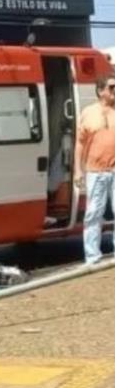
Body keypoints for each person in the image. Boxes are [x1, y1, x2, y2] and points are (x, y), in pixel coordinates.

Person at [75, 74, 115, 265]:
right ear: (101, 91)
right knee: (93, 214)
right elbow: (80, 144)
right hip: (95, 172)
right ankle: (92, 257)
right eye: (112, 88)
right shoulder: (88, 112)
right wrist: (78, 170)